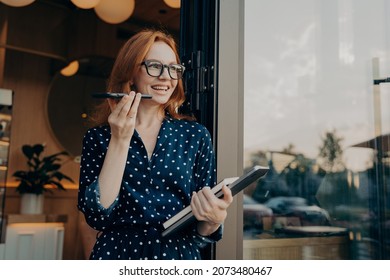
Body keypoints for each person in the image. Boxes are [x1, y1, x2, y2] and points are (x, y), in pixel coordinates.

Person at [77, 28, 233, 260]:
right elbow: (98, 216)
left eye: (173, 68)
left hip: (178, 258)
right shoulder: (98, 138)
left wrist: (213, 220)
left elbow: (202, 233)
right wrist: (120, 138)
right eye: (154, 66)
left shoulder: (195, 135)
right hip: (117, 256)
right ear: (130, 74)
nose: (166, 77)